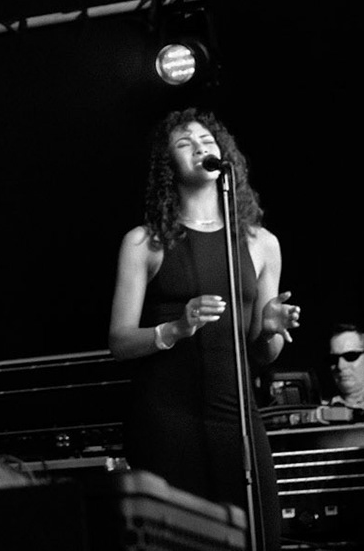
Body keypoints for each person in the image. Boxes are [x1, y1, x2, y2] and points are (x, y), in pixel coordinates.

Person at [108, 108, 301, 545]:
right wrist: (175, 328)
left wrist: (269, 327)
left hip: (235, 417)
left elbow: (262, 353)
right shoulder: (145, 242)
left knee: (260, 533)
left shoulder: (261, 242)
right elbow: (119, 340)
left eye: (207, 140)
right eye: (185, 143)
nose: (200, 147)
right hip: (167, 418)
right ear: (168, 166)